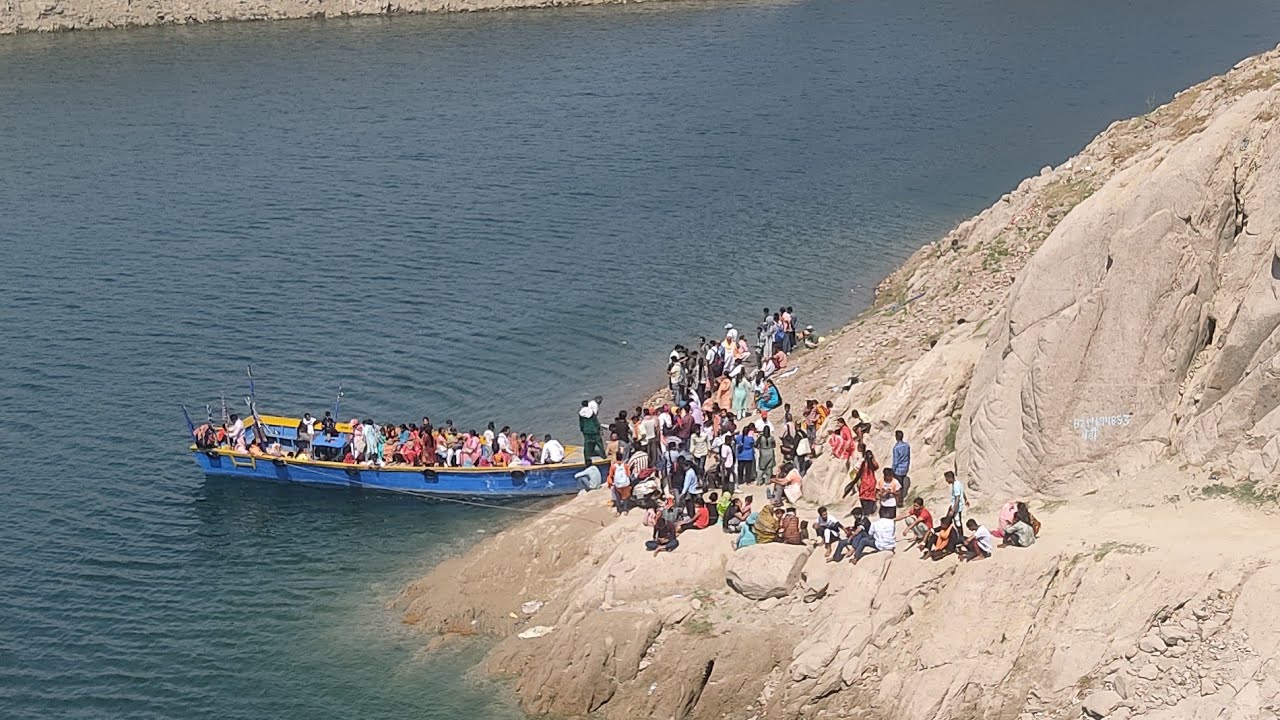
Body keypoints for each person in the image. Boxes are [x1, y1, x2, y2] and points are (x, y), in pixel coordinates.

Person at [856, 448, 880, 516]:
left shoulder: (863, 464)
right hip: (871, 482)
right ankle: (869, 511)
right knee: (871, 497)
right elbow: (876, 467)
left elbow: (858, 472)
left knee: (863, 497)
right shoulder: (872, 464)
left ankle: (866, 511)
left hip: (864, 482)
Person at [892, 430, 912, 500]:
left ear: (896, 437)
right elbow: (908, 457)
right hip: (905, 467)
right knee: (902, 484)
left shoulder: (896, 448)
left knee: (898, 485)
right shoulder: (907, 446)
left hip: (898, 469)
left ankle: (899, 500)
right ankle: (901, 498)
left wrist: (893, 470)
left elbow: (895, 461)